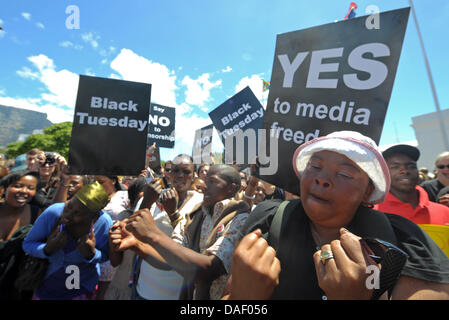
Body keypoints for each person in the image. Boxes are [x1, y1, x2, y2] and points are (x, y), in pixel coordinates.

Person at [228, 131, 449, 300]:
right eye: (314, 166)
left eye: (344, 174)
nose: (322, 179)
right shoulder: (267, 219)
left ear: (368, 191)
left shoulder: (405, 239)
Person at [111, 164, 250, 300]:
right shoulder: (196, 215)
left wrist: (152, 234)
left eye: (213, 182)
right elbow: (171, 260)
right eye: (206, 180)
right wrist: (136, 245)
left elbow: (209, 270)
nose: (206, 186)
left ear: (231, 189)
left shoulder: (239, 219)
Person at [123, 154, 204, 300]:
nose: (180, 176)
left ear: (194, 176)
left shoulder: (200, 203)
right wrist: (146, 202)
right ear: (168, 174)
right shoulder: (151, 196)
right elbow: (130, 232)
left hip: (176, 293)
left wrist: (173, 213)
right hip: (144, 288)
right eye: (175, 171)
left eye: (186, 172)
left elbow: (193, 245)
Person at [22, 181, 112, 300]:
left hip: (81, 292)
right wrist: (47, 249)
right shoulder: (53, 213)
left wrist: (92, 254)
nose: (68, 214)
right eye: (69, 206)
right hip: (45, 289)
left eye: (77, 213)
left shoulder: (103, 223)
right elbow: (28, 244)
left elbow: (106, 255)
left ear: (93, 217)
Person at [375, 145, 449, 225]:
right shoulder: (373, 214)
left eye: (411, 166)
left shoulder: (444, 212)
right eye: (395, 167)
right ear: (383, 173)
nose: (404, 171)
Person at [0, 170, 40, 300]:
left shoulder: (37, 214)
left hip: (17, 289)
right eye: (17, 186)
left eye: (30, 188)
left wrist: (65, 182)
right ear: (4, 188)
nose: (24, 191)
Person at [105, 177, 146, 300]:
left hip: (146, 289)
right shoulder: (124, 218)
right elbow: (115, 261)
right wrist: (114, 245)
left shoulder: (158, 221)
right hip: (123, 286)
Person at [94, 175, 130, 299]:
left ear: (113, 181)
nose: (97, 185)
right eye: (95, 182)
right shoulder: (92, 196)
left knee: (105, 293)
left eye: (101, 182)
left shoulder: (123, 196)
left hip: (113, 251)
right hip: (93, 249)